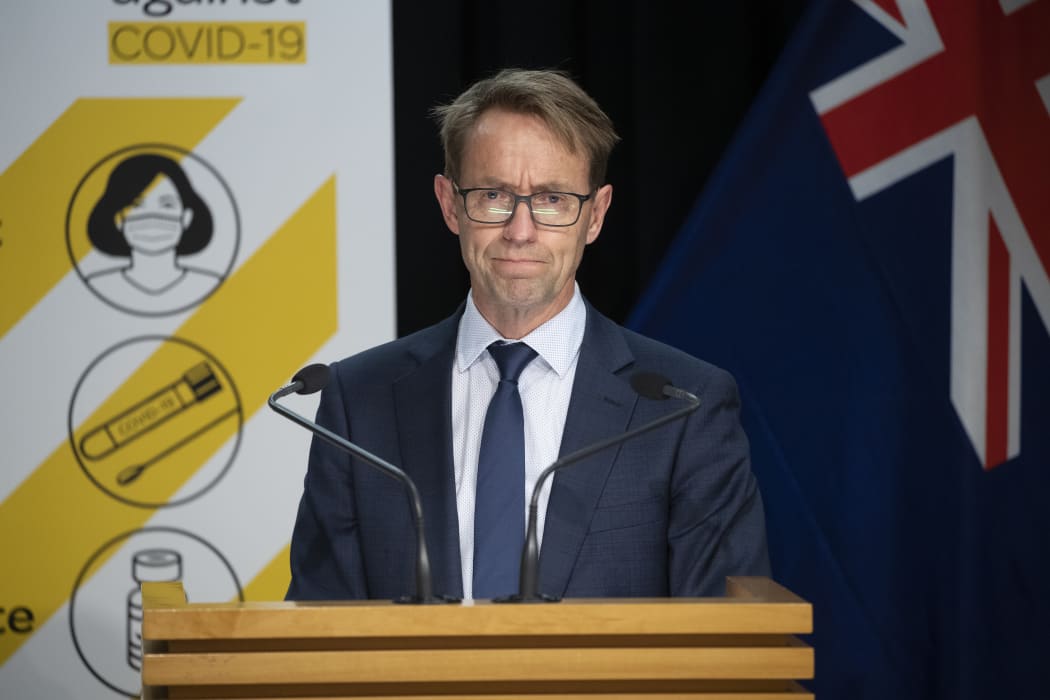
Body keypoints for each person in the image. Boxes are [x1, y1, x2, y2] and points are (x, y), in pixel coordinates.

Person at [286, 68, 770, 601]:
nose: (521, 231)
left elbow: (725, 638)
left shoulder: (683, 408)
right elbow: (315, 627)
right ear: (450, 204)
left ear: (596, 215)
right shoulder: (359, 400)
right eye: (493, 195)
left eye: (553, 199)